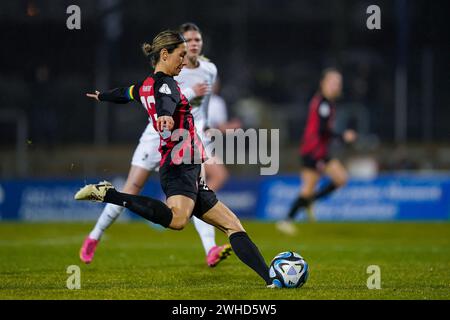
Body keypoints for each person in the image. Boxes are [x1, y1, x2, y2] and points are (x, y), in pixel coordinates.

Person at [75, 30, 274, 288]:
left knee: (233, 225)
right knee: (178, 220)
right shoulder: (167, 83)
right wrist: (165, 116)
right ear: (164, 54)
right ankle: (111, 195)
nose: (184, 60)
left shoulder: (146, 85)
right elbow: (166, 102)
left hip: (187, 164)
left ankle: (271, 280)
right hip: (180, 165)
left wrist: (103, 96)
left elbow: (125, 93)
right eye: (180, 56)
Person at [79, 23, 231, 267]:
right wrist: (104, 95)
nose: (194, 44)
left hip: (190, 135)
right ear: (173, 49)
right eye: (188, 40)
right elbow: (156, 96)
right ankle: (94, 237)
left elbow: (201, 107)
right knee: (133, 187)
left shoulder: (209, 70)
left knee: (199, 189)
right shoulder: (168, 74)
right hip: (158, 133)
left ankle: (210, 249)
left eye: (197, 40)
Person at [276, 68, 357, 235]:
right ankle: (291, 216)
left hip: (313, 150)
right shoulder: (323, 104)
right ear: (323, 83)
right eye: (333, 82)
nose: (336, 86)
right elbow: (322, 131)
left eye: (338, 83)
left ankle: (292, 216)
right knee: (338, 179)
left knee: (310, 188)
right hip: (314, 152)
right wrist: (343, 136)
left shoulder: (325, 103)